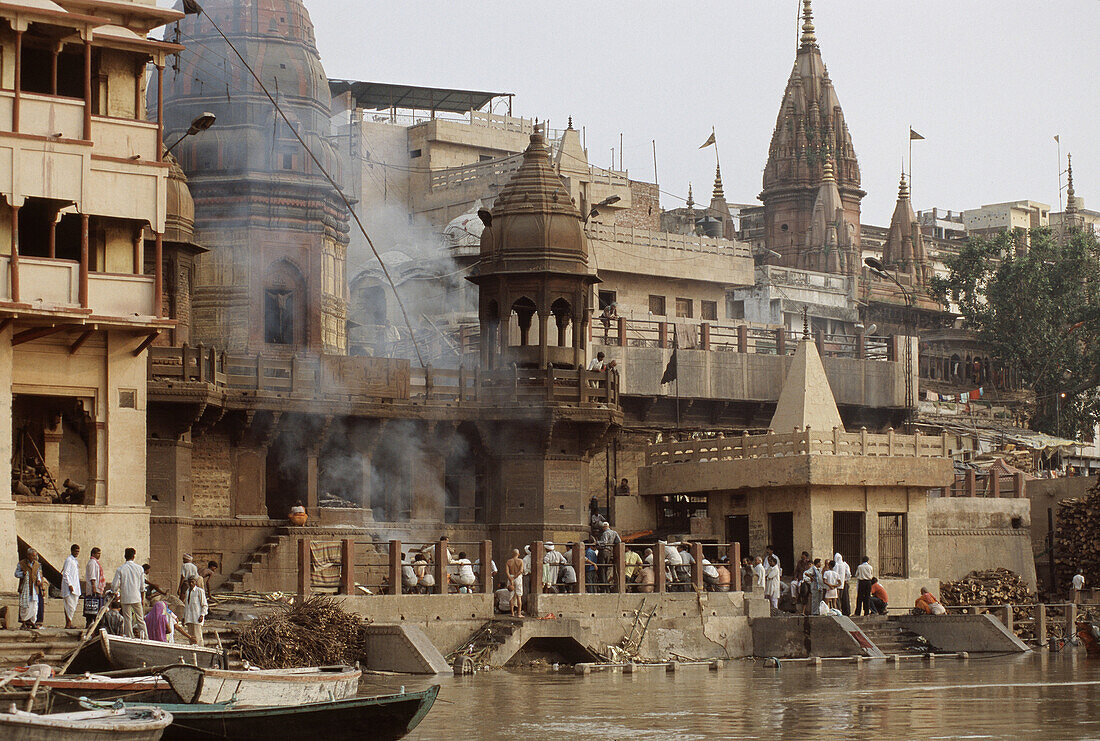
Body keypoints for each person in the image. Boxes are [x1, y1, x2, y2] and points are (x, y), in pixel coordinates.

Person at [111, 548, 147, 638]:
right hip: (136, 597)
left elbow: (115, 585)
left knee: (127, 619)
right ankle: (145, 637)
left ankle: (129, 636)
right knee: (140, 618)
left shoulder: (120, 569)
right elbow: (142, 586)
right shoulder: (139, 568)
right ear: (134, 556)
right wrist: (142, 598)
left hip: (125, 597)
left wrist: (115, 592)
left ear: (125, 556)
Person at [14, 549, 44, 630]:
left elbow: (38, 574)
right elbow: (16, 574)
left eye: (35, 555)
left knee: (34, 606)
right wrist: (22, 574)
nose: (34, 557)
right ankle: (24, 622)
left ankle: (32, 622)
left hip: (34, 589)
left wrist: (39, 581)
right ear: (28, 555)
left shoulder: (37, 564)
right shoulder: (21, 563)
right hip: (25, 588)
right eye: (33, 555)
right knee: (24, 606)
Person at [183, 575, 209, 645]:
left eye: (192, 582)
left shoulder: (199, 591)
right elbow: (186, 606)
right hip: (189, 618)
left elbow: (204, 605)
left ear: (195, 582)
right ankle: (192, 652)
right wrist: (184, 617)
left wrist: (202, 615)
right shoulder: (187, 592)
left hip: (197, 617)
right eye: (190, 582)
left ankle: (200, 651)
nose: (191, 584)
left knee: (198, 637)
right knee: (191, 637)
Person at [84, 546, 106, 628]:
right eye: (98, 554)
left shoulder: (96, 563)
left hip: (96, 588)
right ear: (93, 554)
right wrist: (94, 587)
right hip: (94, 588)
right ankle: (90, 624)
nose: (99, 555)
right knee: (92, 608)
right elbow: (92, 576)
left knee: (95, 608)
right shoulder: (92, 563)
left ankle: (93, 624)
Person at [61, 544, 82, 629]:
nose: (77, 553)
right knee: (69, 605)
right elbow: (65, 573)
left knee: (72, 606)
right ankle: (68, 623)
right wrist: (70, 584)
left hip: (75, 586)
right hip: (70, 587)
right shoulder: (69, 560)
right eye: (76, 551)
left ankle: (69, 622)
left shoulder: (74, 561)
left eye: (78, 551)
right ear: (72, 551)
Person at [596, 522, 622, 591]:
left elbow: (604, 542)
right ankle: (606, 587)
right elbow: (619, 541)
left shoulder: (605, 533)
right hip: (609, 552)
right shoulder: (614, 533)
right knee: (606, 570)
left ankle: (604, 587)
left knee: (601, 569)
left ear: (604, 527)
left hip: (603, 551)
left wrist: (597, 542)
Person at [506, 549, 524, 617]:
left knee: (511, 596)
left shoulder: (508, 561)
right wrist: (515, 577)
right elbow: (521, 571)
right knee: (519, 596)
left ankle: (512, 613)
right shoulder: (520, 561)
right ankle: (519, 613)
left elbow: (507, 572)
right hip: (518, 578)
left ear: (512, 554)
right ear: (518, 554)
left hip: (510, 577)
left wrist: (511, 578)